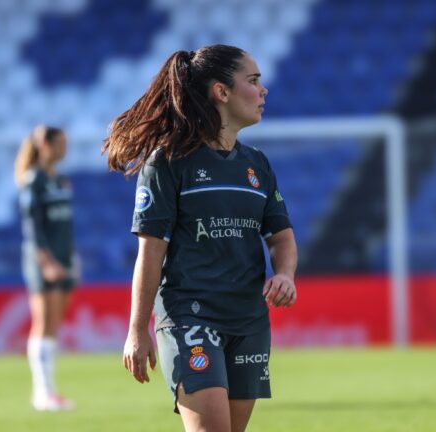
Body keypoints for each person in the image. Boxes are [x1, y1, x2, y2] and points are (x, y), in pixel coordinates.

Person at [103, 45, 298, 432]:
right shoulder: (168, 162)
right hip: (189, 317)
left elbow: (281, 237)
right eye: (254, 81)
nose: (264, 91)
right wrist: (137, 329)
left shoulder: (256, 164)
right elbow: (150, 252)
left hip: (248, 319)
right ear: (221, 92)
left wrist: (286, 274)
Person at [14, 125, 78, 412]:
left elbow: (64, 225)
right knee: (44, 324)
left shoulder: (61, 179)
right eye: (61, 143)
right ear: (46, 145)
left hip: (63, 258)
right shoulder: (34, 180)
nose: (65, 149)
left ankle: (48, 391)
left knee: (54, 325)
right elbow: (33, 228)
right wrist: (47, 262)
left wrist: (71, 258)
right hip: (44, 262)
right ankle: (42, 392)